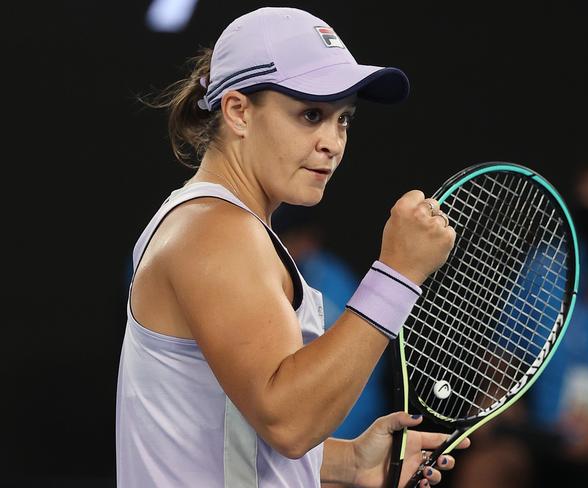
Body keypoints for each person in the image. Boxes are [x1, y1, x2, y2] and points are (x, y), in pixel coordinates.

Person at [115, 7, 467, 487]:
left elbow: (225, 429)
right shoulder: (215, 232)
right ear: (238, 111)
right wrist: (398, 274)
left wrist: (350, 463)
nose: (332, 143)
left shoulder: (213, 223)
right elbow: (289, 422)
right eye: (310, 114)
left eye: (343, 120)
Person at [450, 139, 588, 488]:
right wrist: (497, 406)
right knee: (487, 467)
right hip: (540, 440)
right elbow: (503, 358)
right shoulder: (548, 267)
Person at [272, 204, 392, 441]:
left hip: (346, 423)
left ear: (311, 239)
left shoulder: (334, 284)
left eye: (294, 238)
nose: (289, 248)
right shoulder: (263, 274)